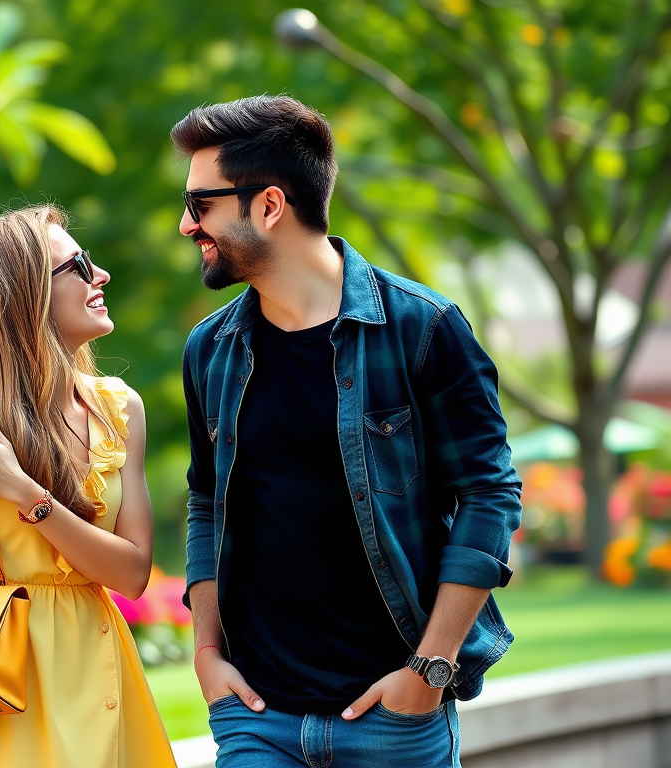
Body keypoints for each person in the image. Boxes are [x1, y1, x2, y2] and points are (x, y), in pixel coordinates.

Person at [173, 95, 521, 767]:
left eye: (200, 206)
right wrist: (207, 654)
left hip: (395, 723)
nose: (187, 226)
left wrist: (432, 667)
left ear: (269, 205)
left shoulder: (424, 329)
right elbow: (205, 503)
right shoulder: (209, 349)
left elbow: (489, 496)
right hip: (257, 720)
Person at [0, 205, 177, 768]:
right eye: (79, 265)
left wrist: (25, 494)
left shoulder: (120, 408)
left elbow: (131, 574)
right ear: (24, 296)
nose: (100, 277)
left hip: (94, 661)